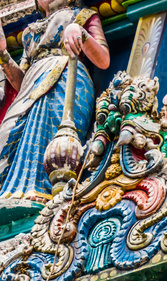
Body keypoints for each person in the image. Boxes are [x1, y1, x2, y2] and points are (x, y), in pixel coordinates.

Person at [0, 0, 109, 205]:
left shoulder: (83, 15)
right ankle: (14, 194)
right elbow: (20, 81)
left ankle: (44, 195)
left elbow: (103, 60)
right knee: (8, 136)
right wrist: (3, 55)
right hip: (29, 89)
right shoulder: (30, 32)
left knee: (54, 140)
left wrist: (80, 33)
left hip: (66, 79)